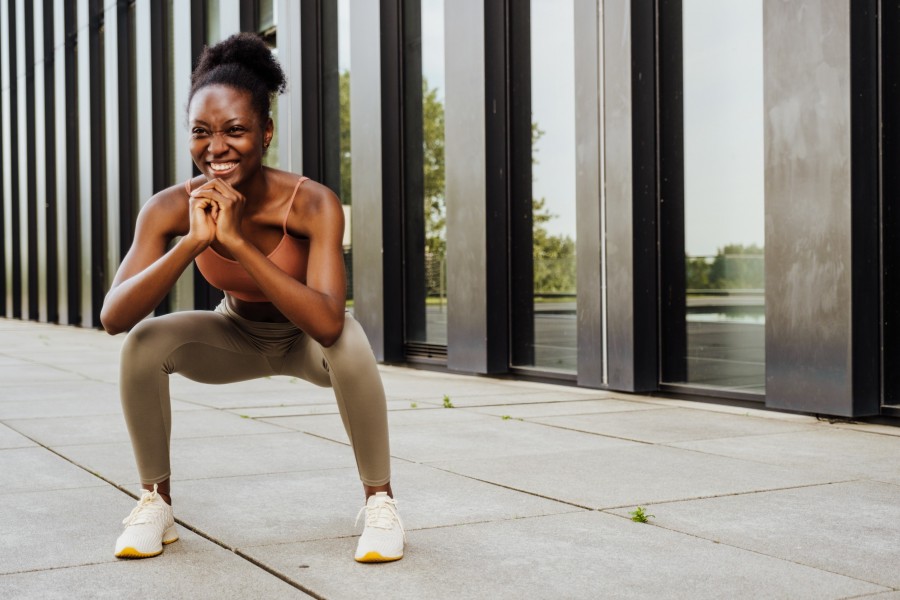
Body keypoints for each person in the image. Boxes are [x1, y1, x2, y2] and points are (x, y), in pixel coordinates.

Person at [99, 32, 404, 564]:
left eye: (235, 130)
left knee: (351, 341)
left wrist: (236, 241)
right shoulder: (170, 207)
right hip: (234, 334)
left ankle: (381, 505)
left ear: (265, 132)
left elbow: (328, 322)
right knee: (144, 343)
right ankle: (155, 502)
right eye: (201, 132)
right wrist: (193, 242)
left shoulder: (312, 203)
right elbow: (114, 316)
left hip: (304, 340)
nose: (215, 148)